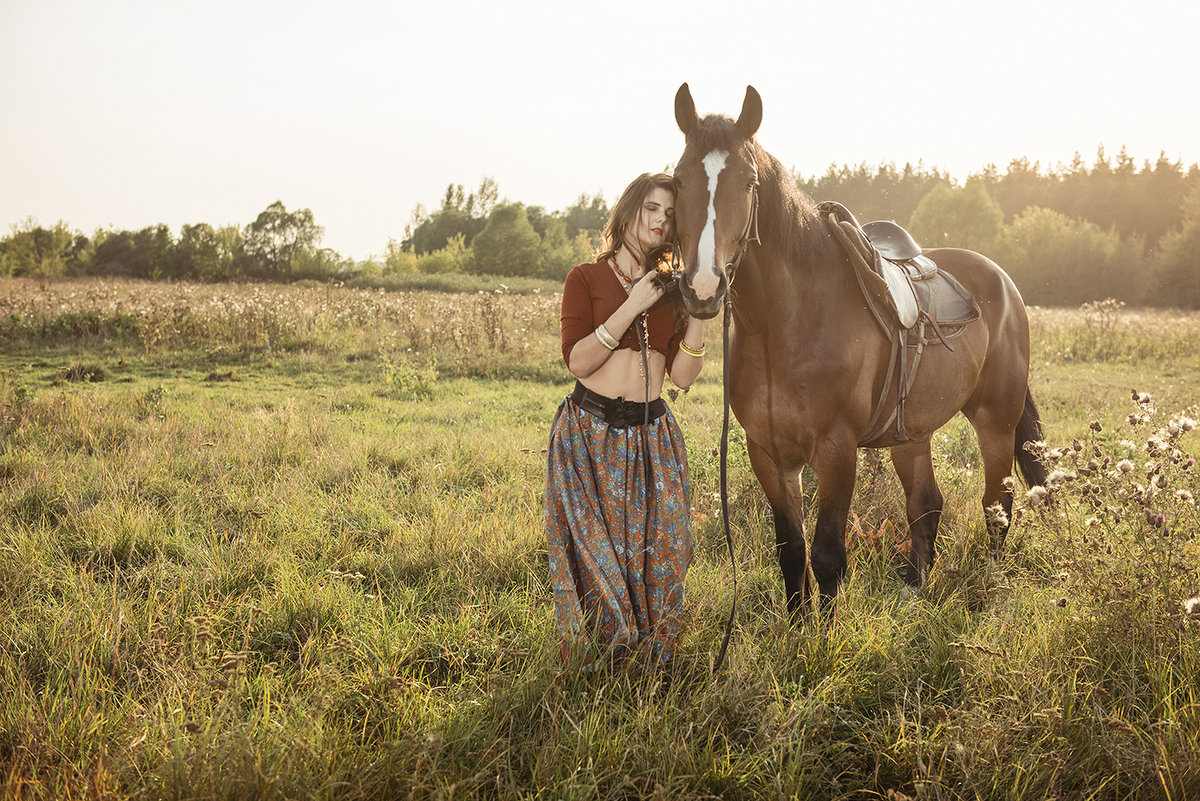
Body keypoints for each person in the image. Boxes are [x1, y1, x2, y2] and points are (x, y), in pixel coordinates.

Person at [544, 172, 709, 666]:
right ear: (630, 210)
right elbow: (577, 361)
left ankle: (654, 662)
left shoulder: (673, 289)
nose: (661, 221)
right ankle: (607, 664)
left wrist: (699, 310)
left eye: (670, 213)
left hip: (652, 434)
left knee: (663, 553)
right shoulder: (585, 278)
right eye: (651, 209)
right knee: (601, 559)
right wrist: (632, 304)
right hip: (589, 434)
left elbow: (682, 376)